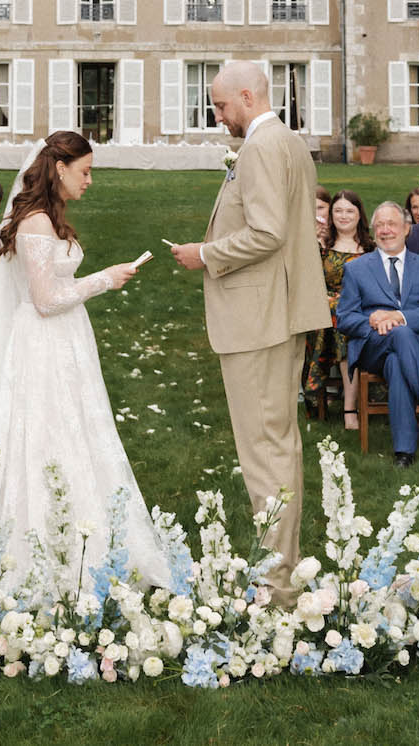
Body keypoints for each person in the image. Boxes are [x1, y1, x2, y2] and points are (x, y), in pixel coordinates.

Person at [0, 131, 167, 584]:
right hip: (42, 340)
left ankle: (78, 526)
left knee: (74, 428)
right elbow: (44, 299)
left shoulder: (49, 218)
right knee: (42, 431)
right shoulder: (36, 223)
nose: (89, 181)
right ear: (59, 168)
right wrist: (105, 278)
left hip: (63, 338)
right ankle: (34, 540)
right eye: (84, 171)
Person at [168, 62, 332, 605]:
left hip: (260, 318)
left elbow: (267, 232)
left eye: (220, 106)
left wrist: (205, 255)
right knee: (277, 445)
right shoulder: (288, 141)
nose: (218, 118)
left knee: (265, 450)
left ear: (246, 96)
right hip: (276, 312)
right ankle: (280, 568)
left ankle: (275, 582)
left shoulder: (262, 146)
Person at [338, 201, 419, 468]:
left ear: (406, 229)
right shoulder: (357, 268)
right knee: (399, 336)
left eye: (392, 224)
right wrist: (373, 320)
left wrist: (398, 317)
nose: (386, 230)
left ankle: (404, 453)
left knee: (397, 363)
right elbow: (345, 318)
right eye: (380, 225)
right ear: (373, 230)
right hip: (372, 346)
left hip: (410, 351)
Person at [305, 188, 371, 429]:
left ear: (359, 214)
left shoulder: (370, 247)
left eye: (349, 211)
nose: (343, 216)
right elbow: (308, 281)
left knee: (344, 323)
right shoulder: (322, 244)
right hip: (323, 310)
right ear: (331, 215)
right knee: (338, 321)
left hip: (360, 311)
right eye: (338, 211)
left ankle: (344, 402)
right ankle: (349, 408)